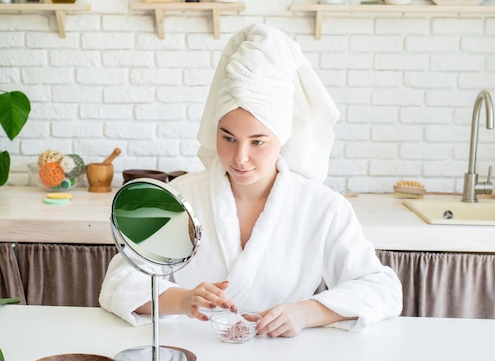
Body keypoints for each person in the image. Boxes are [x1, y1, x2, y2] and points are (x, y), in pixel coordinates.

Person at [99, 23, 402, 337]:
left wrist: (304, 313)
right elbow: (120, 281)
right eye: (228, 138)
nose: (240, 158)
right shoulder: (180, 197)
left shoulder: (322, 206)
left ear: (282, 138)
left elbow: (381, 289)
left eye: (258, 142)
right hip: (194, 353)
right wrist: (183, 299)